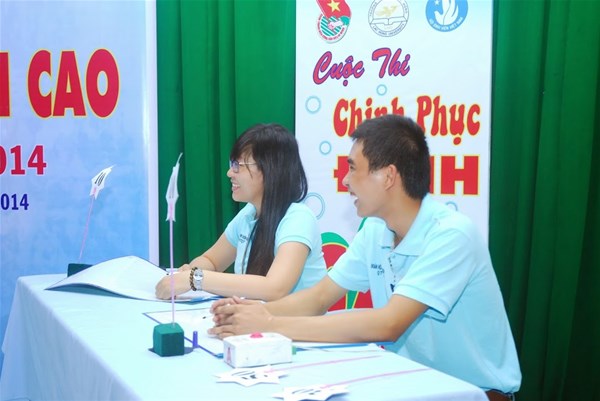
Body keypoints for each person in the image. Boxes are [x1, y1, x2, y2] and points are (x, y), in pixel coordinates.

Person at [209, 115, 522, 400]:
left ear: (388, 176)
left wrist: (272, 323)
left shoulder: (451, 235)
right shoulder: (375, 229)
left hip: (471, 392)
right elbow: (319, 297)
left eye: (353, 168)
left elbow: (389, 323)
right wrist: (250, 314)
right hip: (408, 383)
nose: (345, 180)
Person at [155, 123, 326, 301]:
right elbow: (212, 260)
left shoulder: (299, 218)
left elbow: (275, 288)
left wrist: (196, 279)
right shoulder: (249, 213)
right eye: (232, 164)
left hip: (295, 319)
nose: (230, 173)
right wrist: (190, 272)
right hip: (257, 317)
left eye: (238, 165)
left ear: (270, 169)